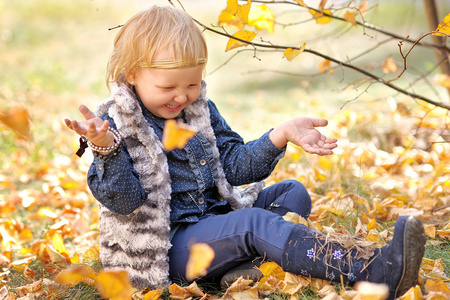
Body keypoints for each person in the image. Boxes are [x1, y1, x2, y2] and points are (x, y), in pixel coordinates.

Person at [64, 6, 426, 300]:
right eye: (168, 86)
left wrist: (279, 135)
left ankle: (241, 267)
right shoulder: (114, 125)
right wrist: (105, 150)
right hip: (168, 248)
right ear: (132, 75)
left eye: (192, 83)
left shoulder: (198, 111)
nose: (182, 96)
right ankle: (371, 269)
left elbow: (234, 168)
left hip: (215, 219)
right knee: (252, 224)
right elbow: (124, 201)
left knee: (291, 192)